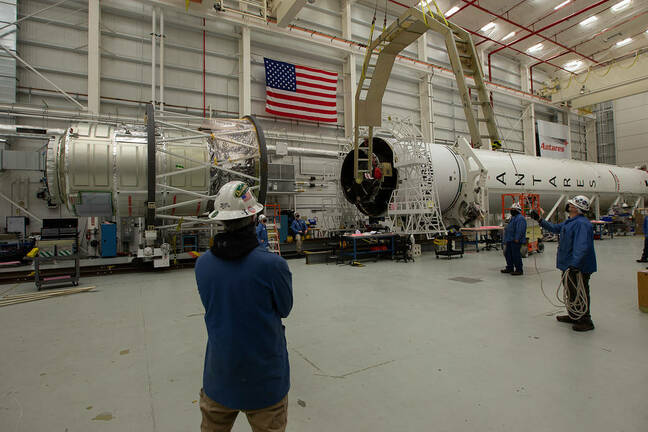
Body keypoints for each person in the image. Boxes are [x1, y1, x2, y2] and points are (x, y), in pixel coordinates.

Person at [195, 181, 293, 432]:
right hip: (265, 382)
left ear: (221, 220)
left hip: (220, 376)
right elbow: (285, 309)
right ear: (253, 217)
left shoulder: (202, 265)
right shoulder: (273, 266)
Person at [530, 195, 596, 332]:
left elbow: (582, 246)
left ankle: (585, 320)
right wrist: (539, 220)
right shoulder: (570, 222)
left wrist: (575, 264)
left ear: (577, 209)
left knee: (580, 292)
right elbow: (555, 228)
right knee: (571, 291)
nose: (569, 206)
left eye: (571, 205)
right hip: (568, 264)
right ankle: (574, 315)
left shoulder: (582, 224)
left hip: (578, 267)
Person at [501, 202, 527, 276]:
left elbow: (520, 230)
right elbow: (509, 228)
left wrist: (517, 238)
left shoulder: (520, 218)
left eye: (513, 209)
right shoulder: (512, 218)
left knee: (516, 255)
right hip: (509, 240)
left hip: (515, 240)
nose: (511, 210)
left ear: (518, 210)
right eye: (511, 209)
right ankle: (510, 267)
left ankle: (519, 269)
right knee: (507, 254)